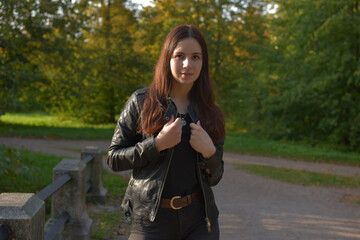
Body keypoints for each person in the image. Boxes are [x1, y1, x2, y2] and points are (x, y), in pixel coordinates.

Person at [107, 24, 225, 240]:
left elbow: (216, 176)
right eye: (180, 56)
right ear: (167, 58)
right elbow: (114, 159)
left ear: (203, 62)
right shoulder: (141, 102)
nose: (187, 64)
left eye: (196, 57)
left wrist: (209, 152)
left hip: (200, 221)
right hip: (151, 220)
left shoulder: (211, 112)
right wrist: (157, 144)